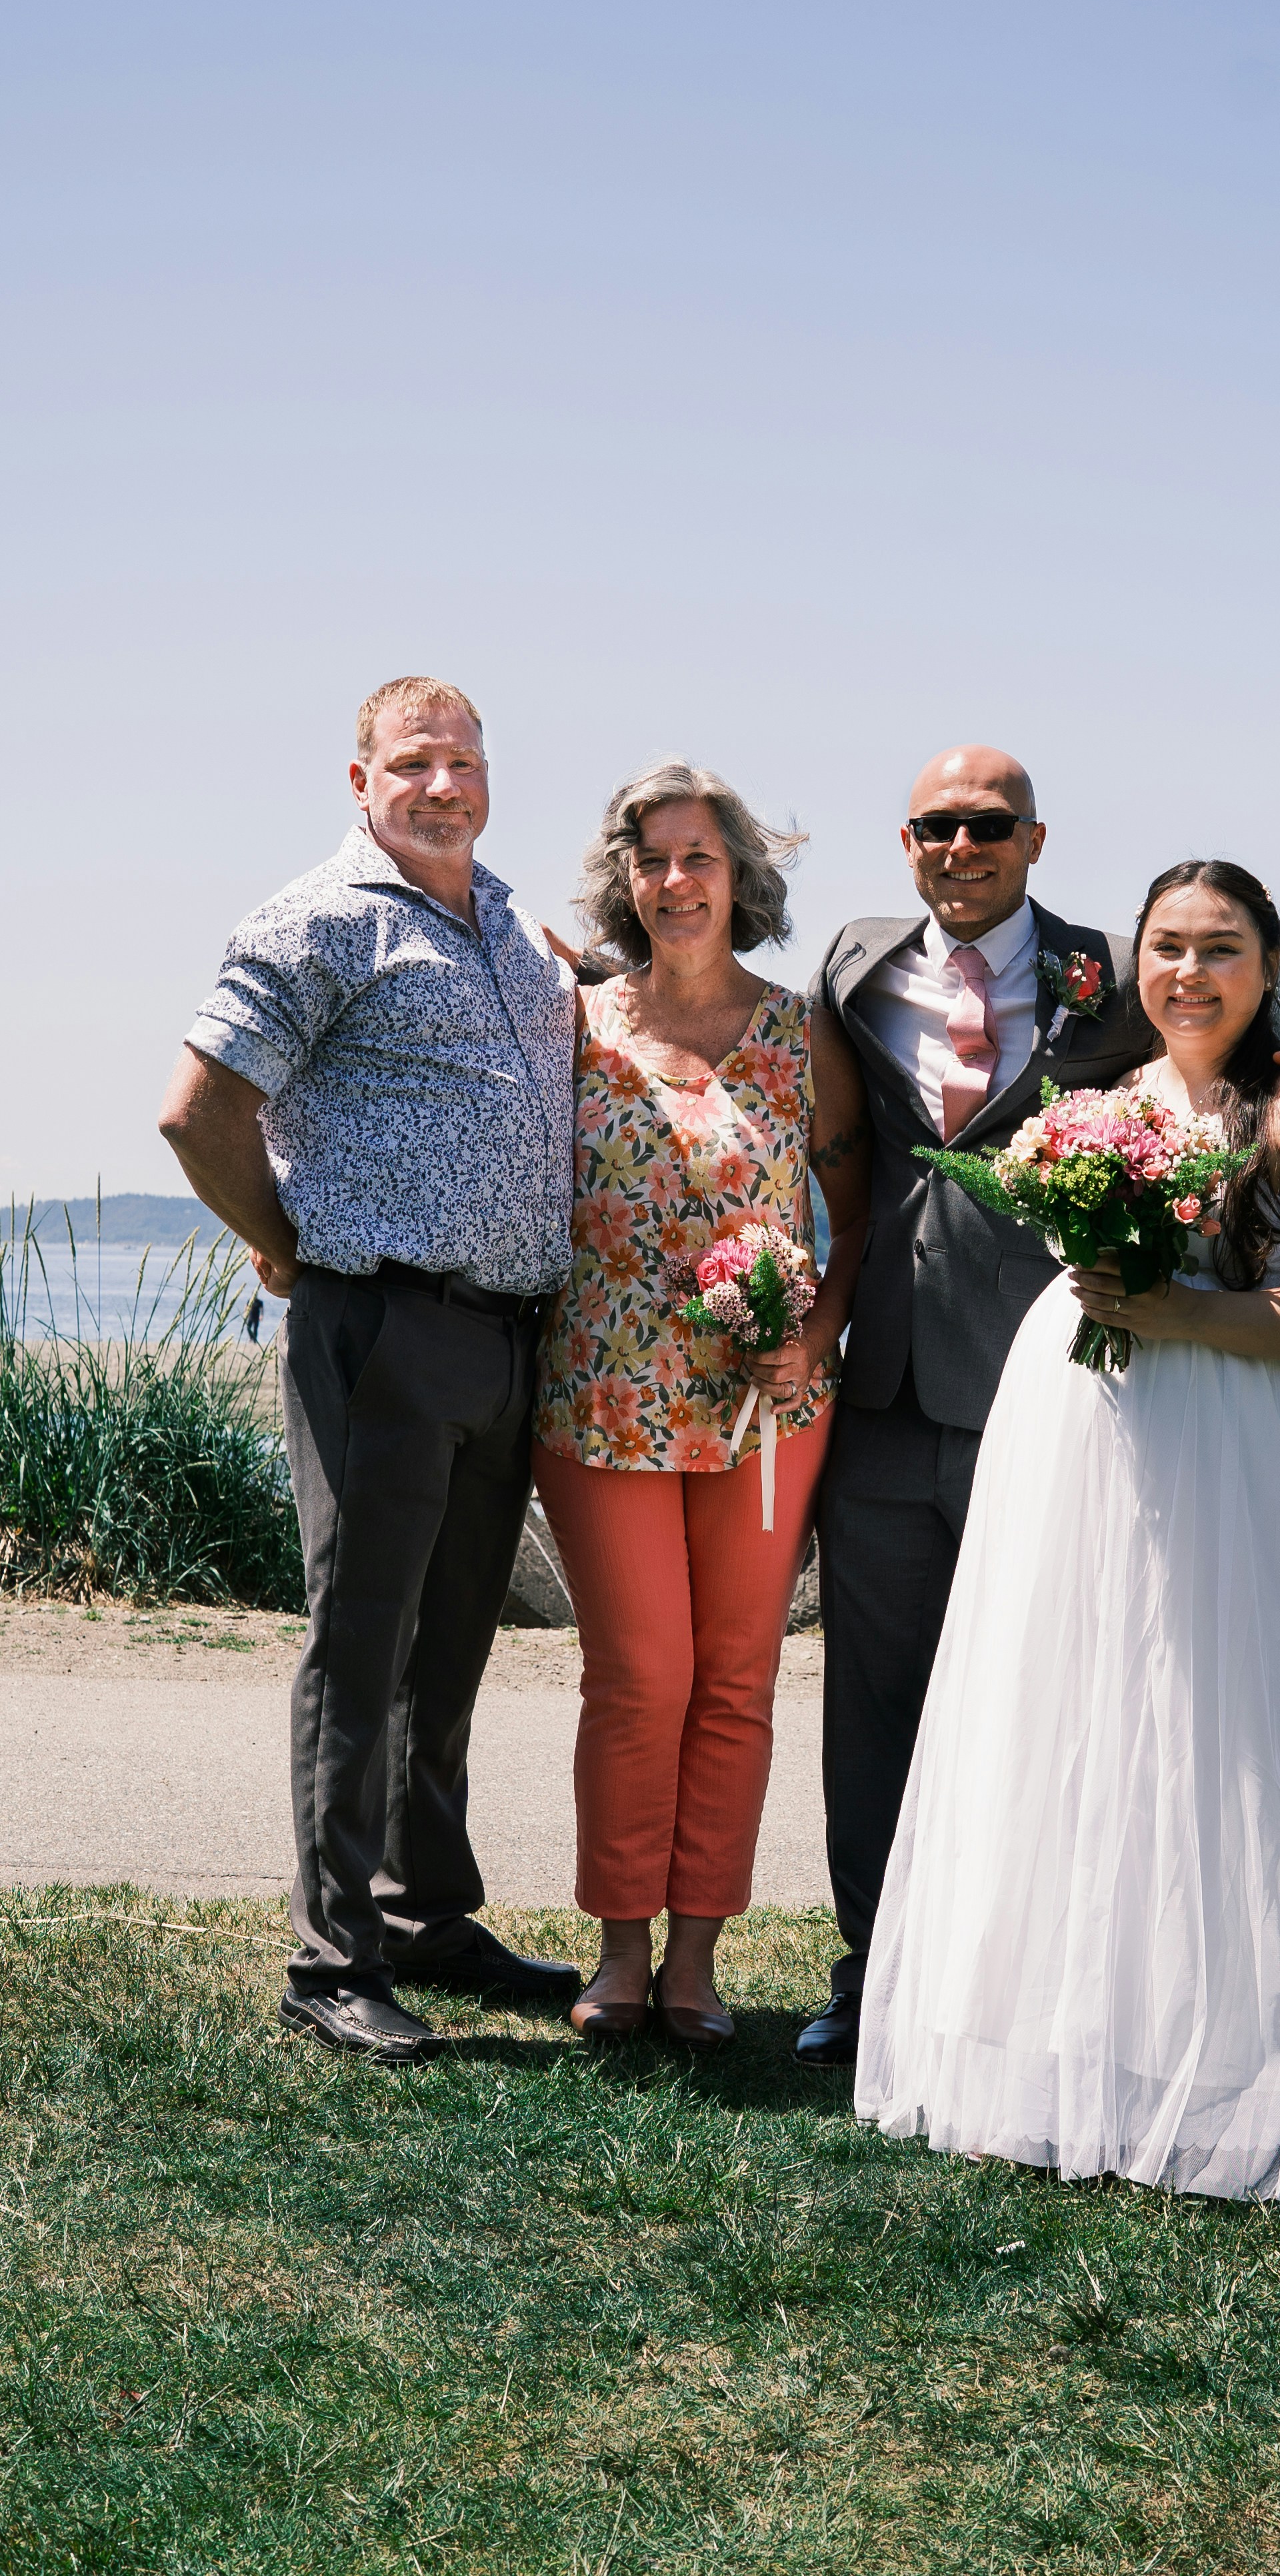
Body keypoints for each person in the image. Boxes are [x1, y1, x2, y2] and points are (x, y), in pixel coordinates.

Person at [856, 859, 1280, 2199]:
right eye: (1167, 946)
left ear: (1266, 961)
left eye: (1220, 947)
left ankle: (1235, 2069)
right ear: (1135, 962)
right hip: (1084, 1441)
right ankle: (1082, 2057)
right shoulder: (1098, 1100)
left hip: (1238, 1438)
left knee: (1221, 1732)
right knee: (1078, 1722)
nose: (1189, 972)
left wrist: (1186, 1318)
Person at [797, 746, 1280, 2067]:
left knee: (1072, 1694)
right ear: (906, 840)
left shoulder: (1105, 981)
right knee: (881, 1706)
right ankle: (876, 1975)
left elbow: (1230, 1035)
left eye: (988, 823)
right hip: (891, 1388)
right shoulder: (853, 964)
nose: (963, 844)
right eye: (938, 824)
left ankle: (1090, 1987)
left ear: (1034, 838)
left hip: (1075, 1396)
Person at [159, 676, 583, 2063]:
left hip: (510, 1335)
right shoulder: (315, 920)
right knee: (362, 1646)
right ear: (359, 783)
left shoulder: (518, 926)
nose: (444, 784)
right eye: (414, 763)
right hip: (382, 1328)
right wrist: (287, 1247)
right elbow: (196, 1108)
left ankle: (424, 1916)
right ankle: (330, 1959)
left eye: (464, 760)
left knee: (451, 1645)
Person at [533, 762, 871, 2050]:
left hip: (766, 1415)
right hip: (602, 1395)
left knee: (735, 1680)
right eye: (654, 859)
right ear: (628, 882)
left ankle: (696, 1961)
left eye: (701, 859)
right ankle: (619, 1954)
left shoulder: (800, 1035)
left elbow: (857, 1206)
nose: (677, 882)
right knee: (641, 1675)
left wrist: (816, 1338)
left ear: (742, 880)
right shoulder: (575, 1024)